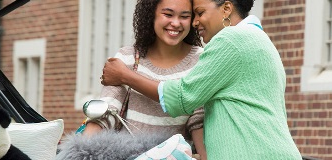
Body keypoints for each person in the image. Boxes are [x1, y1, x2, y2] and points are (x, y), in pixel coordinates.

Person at [101, 0, 302, 159]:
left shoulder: (230, 40)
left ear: (226, 9)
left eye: (200, 12)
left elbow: (182, 98)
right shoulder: (260, 40)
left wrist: (124, 75)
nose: (195, 22)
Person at [82, 0, 207, 159]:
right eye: (168, 14)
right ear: (151, 15)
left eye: (184, 16)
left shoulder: (201, 60)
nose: (175, 23)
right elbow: (106, 114)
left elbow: (198, 121)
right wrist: (81, 152)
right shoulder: (127, 57)